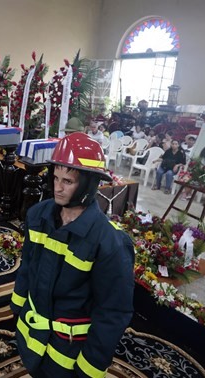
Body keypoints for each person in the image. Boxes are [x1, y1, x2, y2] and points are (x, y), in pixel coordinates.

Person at [11, 132, 134, 377]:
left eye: (67, 181)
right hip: (32, 339)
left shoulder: (110, 243)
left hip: (67, 356)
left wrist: (89, 369)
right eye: (55, 178)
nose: (57, 188)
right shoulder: (38, 215)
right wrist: (17, 311)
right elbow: (27, 268)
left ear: (89, 184)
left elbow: (112, 312)